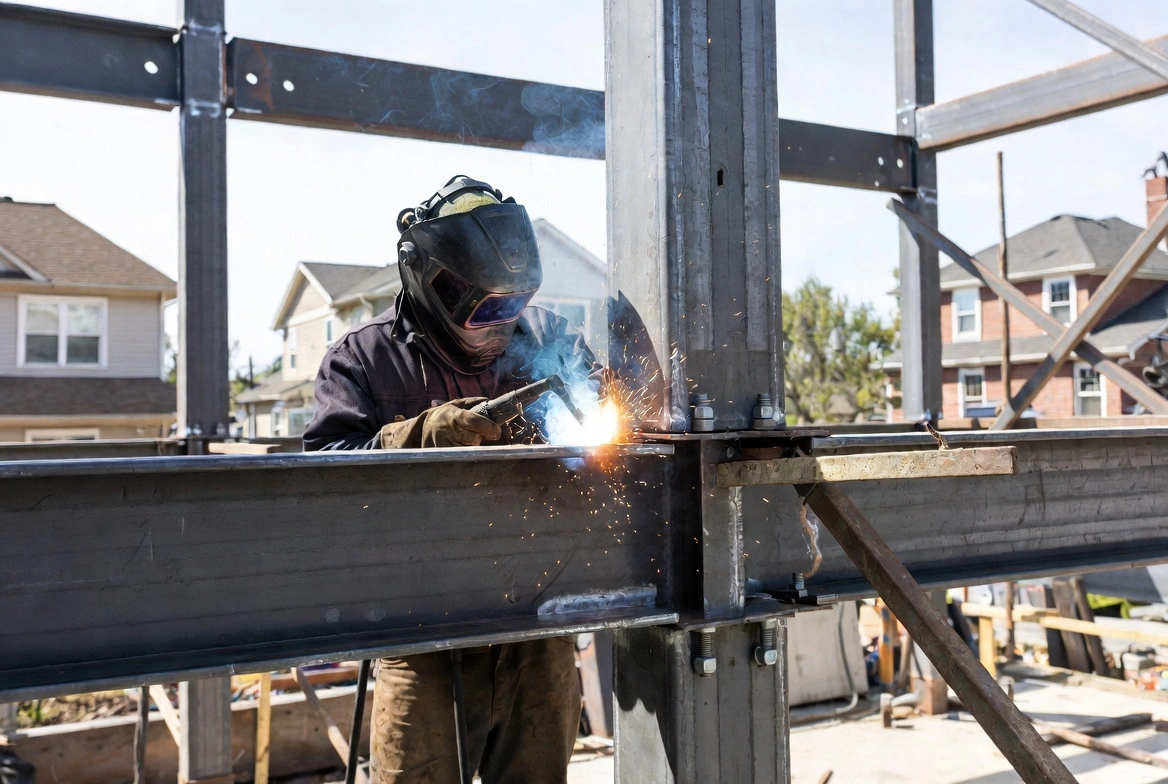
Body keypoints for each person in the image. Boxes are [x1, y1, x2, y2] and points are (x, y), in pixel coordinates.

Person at [303, 176, 596, 783]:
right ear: (436, 288)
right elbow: (321, 481)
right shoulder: (363, 359)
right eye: (488, 309)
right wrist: (413, 437)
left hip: (536, 629)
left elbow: (609, 421)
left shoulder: (547, 339)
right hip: (422, 636)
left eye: (514, 303)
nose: (503, 324)